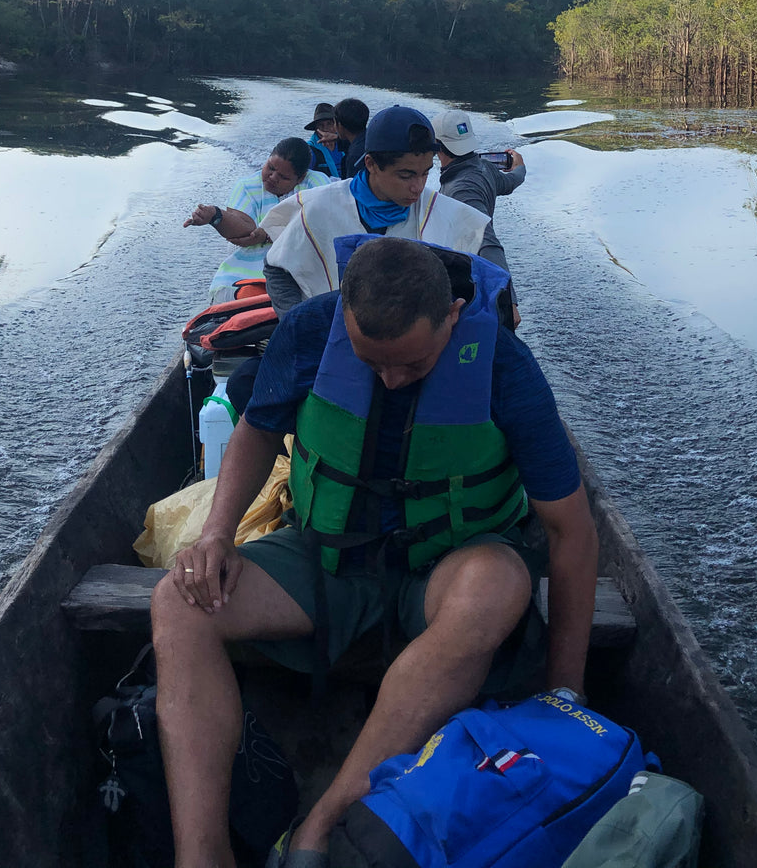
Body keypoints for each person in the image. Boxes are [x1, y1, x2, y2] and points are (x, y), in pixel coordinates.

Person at [151, 236, 599, 868]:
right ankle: (202, 855)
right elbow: (256, 430)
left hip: (448, 565)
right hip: (327, 557)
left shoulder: (504, 366)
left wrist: (565, 694)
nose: (390, 380)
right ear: (344, 316)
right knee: (180, 602)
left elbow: (571, 531)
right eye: (371, 362)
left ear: (452, 316)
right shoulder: (310, 329)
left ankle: (322, 823)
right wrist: (217, 534)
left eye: (412, 366)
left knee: (496, 587)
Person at [260, 105, 489, 315]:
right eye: (406, 175)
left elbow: (485, 265)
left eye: (425, 173)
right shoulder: (321, 207)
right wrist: (298, 324)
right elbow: (277, 269)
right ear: (370, 164)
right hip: (331, 337)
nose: (418, 187)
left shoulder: (440, 212)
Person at [184, 137, 327, 302]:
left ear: (300, 178)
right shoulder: (247, 186)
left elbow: (319, 224)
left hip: (302, 266)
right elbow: (245, 230)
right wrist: (215, 215)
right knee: (240, 294)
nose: (273, 177)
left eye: (283, 177)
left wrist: (269, 234)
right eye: (270, 168)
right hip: (249, 270)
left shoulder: (316, 184)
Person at [432, 109, 526, 326]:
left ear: (437, 146)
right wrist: (520, 168)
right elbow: (511, 182)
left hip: (472, 283)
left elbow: (487, 241)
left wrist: (508, 302)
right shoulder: (484, 167)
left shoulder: (462, 189)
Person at [303, 101, 343, 178]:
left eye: (329, 124)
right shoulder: (309, 151)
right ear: (316, 128)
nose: (325, 129)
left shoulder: (346, 144)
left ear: (336, 125)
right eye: (321, 125)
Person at [333, 98, 370, 180]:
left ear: (340, 125)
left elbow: (352, 186)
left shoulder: (355, 157)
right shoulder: (372, 139)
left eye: (334, 122)